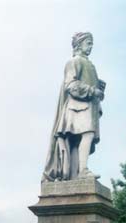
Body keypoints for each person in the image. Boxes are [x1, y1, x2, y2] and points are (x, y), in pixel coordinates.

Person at [42, 32, 105, 181]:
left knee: (76, 142)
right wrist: (91, 90)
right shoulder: (74, 61)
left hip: (88, 106)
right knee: (87, 134)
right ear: (79, 44)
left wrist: (99, 89)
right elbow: (70, 85)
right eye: (88, 43)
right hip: (77, 107)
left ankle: (76, 173)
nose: (91, 47)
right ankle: (83, 170)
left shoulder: (90, 64)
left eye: (91, 44)